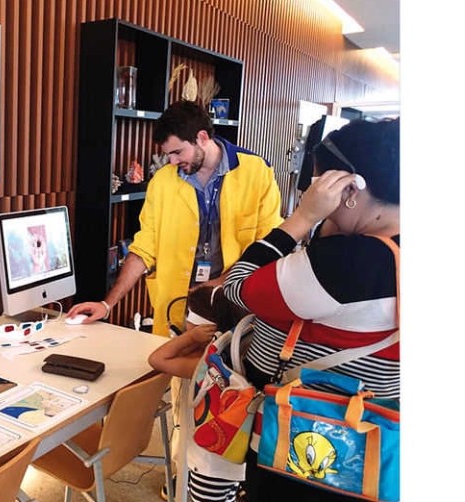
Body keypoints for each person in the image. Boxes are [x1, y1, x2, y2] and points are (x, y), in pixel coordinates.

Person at [221, 118, 400, 502]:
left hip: (307, 433)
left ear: (348, 187)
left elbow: (237, 287)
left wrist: (302, 218)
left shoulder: (350, 262)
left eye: (317, 183)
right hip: (369, 434)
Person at [66, 100, 282, 335]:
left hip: (235, 305)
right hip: (175, 310)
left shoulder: (258, 171)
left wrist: (212, 287)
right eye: (168, 154)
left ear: (202, 137)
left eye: (177, 152)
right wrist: (107, 304)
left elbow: (268, 248)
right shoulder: (162, 181)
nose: (172, 162)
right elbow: (143, 248)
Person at [147, 285, 250, 502]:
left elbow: (157, 359)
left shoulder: (205, 366)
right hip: (234, 452)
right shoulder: (239, 352)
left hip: (210, 460)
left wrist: (190, 338)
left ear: (204, 328)